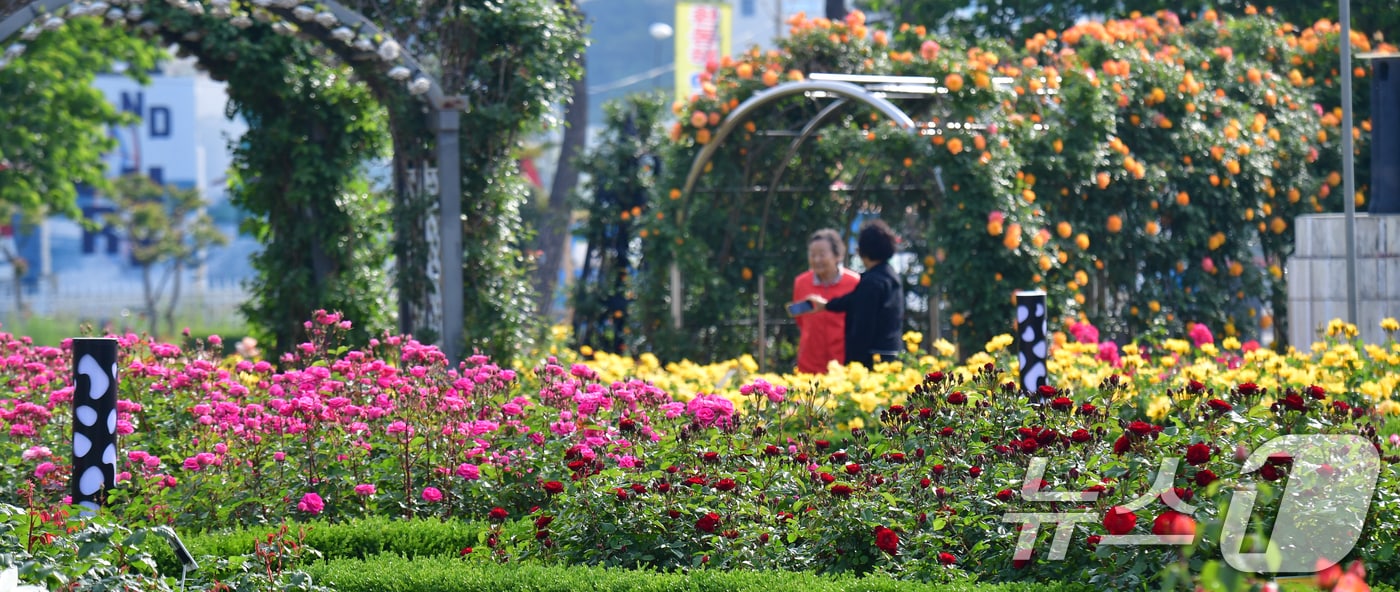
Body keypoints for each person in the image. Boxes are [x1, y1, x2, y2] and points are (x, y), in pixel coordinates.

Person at [807, 220, 904, 368]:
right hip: (892, 353)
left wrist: (852, 365)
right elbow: (853, 299)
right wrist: (827, 305)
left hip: (873, 360)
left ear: (862, 251)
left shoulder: (871, 283)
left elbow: (862, 328)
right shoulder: (891, 276)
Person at [792, 229, 861, 374]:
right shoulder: (801, 282)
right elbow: (800, 319)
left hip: (844, 363)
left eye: (822, 254)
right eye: (812, 255)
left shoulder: (854, 282)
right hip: (809, 363)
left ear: (838, 255)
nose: (816, 260)